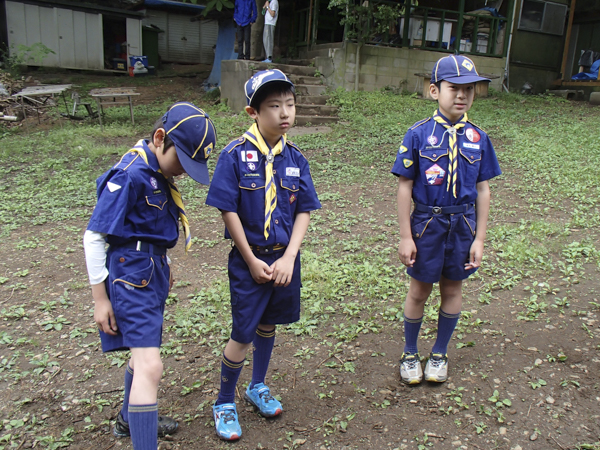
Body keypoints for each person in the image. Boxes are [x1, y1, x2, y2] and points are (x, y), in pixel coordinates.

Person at [83, 102, 216, 449]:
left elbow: (153, 228)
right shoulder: (129, 173)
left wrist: (164, 265)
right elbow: (94, 235)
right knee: (150, 366)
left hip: (151, 273)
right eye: (182, 162)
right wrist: (100, 299)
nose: (184, 172)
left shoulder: (158, 172)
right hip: (131, 276)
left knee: (143, 355)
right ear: (160, 138)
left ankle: (130, 419)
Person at [206, 69, 321, 440]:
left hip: (283, 259)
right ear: (252, 112)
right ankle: (224, 401)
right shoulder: (234, 156)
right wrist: (251, 259)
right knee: (242, 332)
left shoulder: (296, 159)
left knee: (268, 325)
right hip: (249, 260)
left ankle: (257, 386)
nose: (284, 113)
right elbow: (228, 210)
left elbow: (304, 209)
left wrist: (289, 257)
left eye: (289, 104)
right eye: (274, 106)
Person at [391, 55, 501, 385]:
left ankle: (439, 352)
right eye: (454, 88)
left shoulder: (479, 138)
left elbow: (483, 190)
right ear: (434, 91)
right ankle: (410, 352)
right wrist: (405, 235)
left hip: (463, 226)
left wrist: (479, 238)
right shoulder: (418, 135)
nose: (462, 95)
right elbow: (404, 186)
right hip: (427, 224)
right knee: (419, 290)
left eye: (469, 89)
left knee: (453, 288)